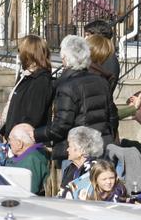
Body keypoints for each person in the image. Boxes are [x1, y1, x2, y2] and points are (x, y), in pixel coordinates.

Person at [35, 35, 117, 165]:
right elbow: (112, 118)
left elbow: (60, 126)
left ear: (64, 59)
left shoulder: (67, 87)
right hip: (102, 147)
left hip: (77, 152)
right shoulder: (101, 82)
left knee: (74, 184)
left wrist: (34, 134)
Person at [1, 35, 53, 137]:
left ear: (29, 54)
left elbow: (33, 117)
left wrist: (16, 136)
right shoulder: (25, 75)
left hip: (23, 141)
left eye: (20, 51)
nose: (19, 55)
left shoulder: (41, 80)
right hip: (12, 136)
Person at [58, 126, 105, 198]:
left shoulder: (95, 169)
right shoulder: (70, 168)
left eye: (70, 146)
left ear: (82, 150)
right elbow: (61, 194)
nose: (67, 149)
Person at [5, 123, 48, 195]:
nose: (9, 143)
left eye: (10, 139)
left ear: (19, 143)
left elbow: (30, 190)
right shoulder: (28, 155)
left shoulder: (31, 160)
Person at [84, 19, 119, 94]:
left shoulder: (107, 59)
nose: (85, 39)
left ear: (97, 37)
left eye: (87, 35)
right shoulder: (102, 57)